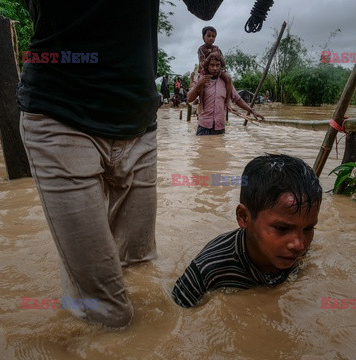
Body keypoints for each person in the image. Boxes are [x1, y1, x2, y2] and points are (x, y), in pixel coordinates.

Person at [17, 0, 224, 328]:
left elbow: (204, 6)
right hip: (60, 118)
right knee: (110, 313)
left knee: (141, 273)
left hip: (140, 125)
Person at [172, 154, 323, 307]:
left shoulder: (299, 248)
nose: (299, 245)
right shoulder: (207, 270)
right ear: (244, 217)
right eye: (282, 229)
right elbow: (176, 314)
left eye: (309, 228)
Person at [187, 52, 264, 135]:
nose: (215, 68)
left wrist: (251, 111)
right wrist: (199, 84)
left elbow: (237, 99)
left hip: (220, 127)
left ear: (221, 66)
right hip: (204, 127)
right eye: (212, 65)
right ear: (207, 66)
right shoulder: (200, 79)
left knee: (219, 147)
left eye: (217, 65)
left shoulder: (226, 82)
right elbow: (189, 98)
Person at [197, 26, 233, 106]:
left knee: (228, 79)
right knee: (201, 82)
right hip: (205, 71)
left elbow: (223, 64)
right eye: (209, 36)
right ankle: (201, 102)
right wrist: (210, 56)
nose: (211, 38)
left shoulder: (217, 48)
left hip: (217, 71)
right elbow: (202, 64)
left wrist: (220, 58)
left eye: (213, 36)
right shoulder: (201, 49)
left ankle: (227, 101)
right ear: (203, 37)